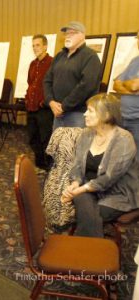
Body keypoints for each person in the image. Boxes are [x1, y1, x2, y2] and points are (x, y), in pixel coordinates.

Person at [62, 93, 138, 237]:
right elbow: (77, 165)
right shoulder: (86, 134)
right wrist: (75, 183)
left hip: (118, 193)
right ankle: (92, 254)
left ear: (107, 114)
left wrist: (78, 191)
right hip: (90, 187)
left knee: (87, 213)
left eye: (90, 110)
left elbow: (109, 178)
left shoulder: (123, 139)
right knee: (84, 204)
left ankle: (84, 251)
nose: (85, 114)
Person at [44, 21, 102, 129]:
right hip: (57, 112)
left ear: (82, 36)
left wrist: (64, 106)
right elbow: (47, 80)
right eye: (67, 33)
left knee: (75, 145)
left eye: (72, 33)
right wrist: (51, 101)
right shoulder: (59, 56)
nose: (68, 36)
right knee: (58, 145)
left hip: (78, 115)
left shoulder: (91, 57)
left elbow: (86, 86)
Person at [25, 34, 53, 171]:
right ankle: (39, 164)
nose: (35, 48)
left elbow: (54, 86)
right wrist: (27, 99)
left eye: (38, 45)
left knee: (45, 139)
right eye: (33, 45)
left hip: (44, 108)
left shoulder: (52, 63)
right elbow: (30, 83)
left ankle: (48, 167)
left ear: (45, 46)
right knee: (33, 138)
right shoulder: (32, 64)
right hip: (31, 107)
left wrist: (44, 102)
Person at [113, 30, 139, 159]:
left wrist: (127, 84)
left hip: (137, 120)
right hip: (124, 117)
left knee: (136, 161)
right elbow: (116, 84)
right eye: (138, 39)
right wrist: (131, 88)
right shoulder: (135, 60)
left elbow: (135, 85)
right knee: (123, 159)